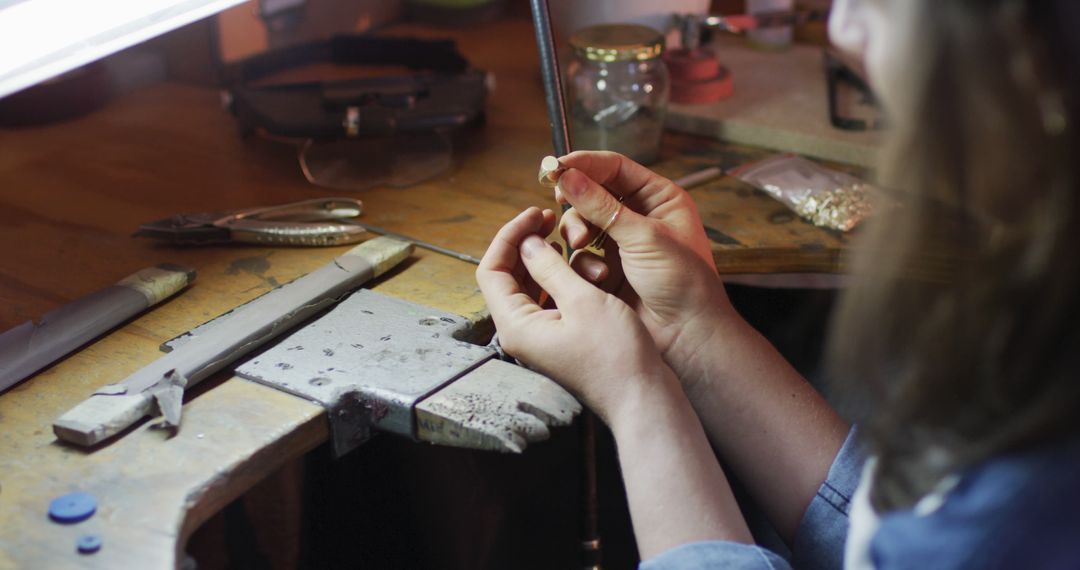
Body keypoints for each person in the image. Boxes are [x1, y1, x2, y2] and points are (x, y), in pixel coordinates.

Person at [477, 0, 1080, 567]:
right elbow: (883, 542)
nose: (843, 28)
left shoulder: (1019, 509)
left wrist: (638, 397)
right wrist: (695, 334)